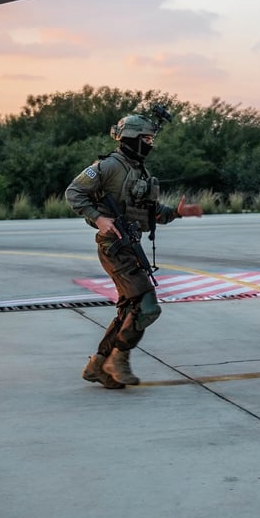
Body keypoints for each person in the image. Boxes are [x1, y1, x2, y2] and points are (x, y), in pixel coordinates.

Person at [66, 111, 203, 389]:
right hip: (114, 247)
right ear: (131, 138)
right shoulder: (110, 166)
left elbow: (152, 213)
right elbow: (74, 192)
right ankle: (119, 358)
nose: (150, 144)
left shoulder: (140, 170)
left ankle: (98, 366)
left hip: (130, 245)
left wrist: (178, 212)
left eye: (152, 138)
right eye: (146, 138)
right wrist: (99, 218)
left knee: (130, 309)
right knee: (147, 306)